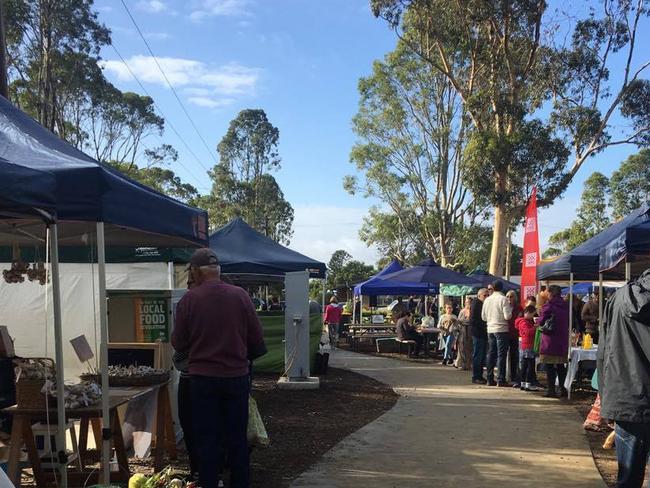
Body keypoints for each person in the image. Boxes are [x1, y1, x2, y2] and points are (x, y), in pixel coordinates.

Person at [172, 248, 267, 488]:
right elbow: (256, 338)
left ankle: (210, 482)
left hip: (202, 380)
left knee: (207, 440)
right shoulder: (241, 296)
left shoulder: (189, 300)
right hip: (236, 377)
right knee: (237, 439)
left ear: (195, 271)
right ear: (217, 270)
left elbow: (179, 343)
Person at [598, 269, 650, 488]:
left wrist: (605, 396)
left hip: (624, 396)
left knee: (627, 478)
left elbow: (604, 351)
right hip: (628, 396)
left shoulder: (618, 298)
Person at [173, 274, 199, 480]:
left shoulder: (187, 304)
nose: (187, 286)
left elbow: (178, 342)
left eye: (189, 283)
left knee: (191, 424)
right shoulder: (236, 298)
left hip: (193, 376)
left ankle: (199, 469)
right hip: (230, 375)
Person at [537, 284, 569, 398]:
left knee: (550, 365)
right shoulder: (566, 305)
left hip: (550, 340)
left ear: (550, 293)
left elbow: (541, 321)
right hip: (562, 339)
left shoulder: (548, 306)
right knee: (561, 365)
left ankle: (551, 389)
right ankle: (562, 388)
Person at [482, 280, 513, 387]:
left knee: (491, 354)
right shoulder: (503, 299)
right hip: (501, 329)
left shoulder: (487, 300)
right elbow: (507, 316)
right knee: (501, 355)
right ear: (502, 288)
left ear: (493, 288)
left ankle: (489, 378)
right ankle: (500, 379)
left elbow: (483, 317)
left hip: (490, 329)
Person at [516, 305, 543, 392]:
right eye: (532, 314)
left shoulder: (526, 322)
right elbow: (527, 332)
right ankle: (527, 383)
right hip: (528, 345)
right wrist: (535, 328)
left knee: (525, 365)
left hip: (526, 345)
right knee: (530, 365)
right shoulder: (523, 322)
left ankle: (523, 383)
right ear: (527, 313)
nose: (533, 317)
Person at [470, 288, 489, 384]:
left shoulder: (483, 304)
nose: (486, 297)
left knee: (482, 356)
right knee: (478, 355)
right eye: (484, 295)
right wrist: (484, 326)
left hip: (483, 334)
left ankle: (479, 375)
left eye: (487, 295)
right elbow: (473, 320)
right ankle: (476, 376)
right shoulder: (476, 304)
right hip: (478, 334)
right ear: (479, 296)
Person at [506, 290, 522, 386]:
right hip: (505, 333)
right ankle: (504, 375)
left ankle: (513, 375)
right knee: (503, 355)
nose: (509, 299)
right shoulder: (505, 306)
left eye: (511, 296)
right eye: (507, 296)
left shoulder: (519, 308)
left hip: (514, 334)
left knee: (514, 356)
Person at [454, 297, 473, 370]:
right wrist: (466, 321)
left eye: (469, 302)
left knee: (470, 348)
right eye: (466, 302)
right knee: (462, 347)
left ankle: (469, 364)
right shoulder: (462, 311)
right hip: (463, 330)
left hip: (470, 331)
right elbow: (459, 320)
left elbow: (471, 321)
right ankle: (463, 364)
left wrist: (465, 321)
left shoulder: (472, 311)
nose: (467, 304)